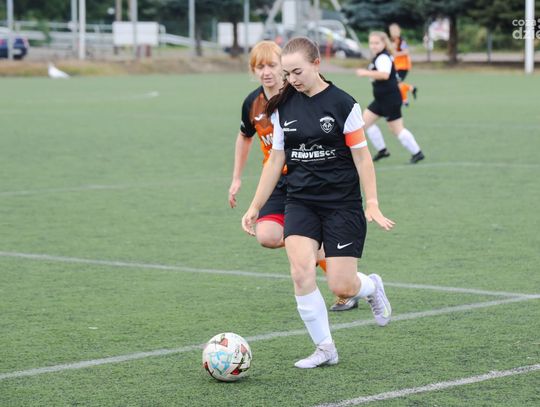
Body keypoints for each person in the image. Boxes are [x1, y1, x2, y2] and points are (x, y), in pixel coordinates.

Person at [242, 37, 394, 369]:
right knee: (300, 272)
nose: (292, 80)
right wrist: (255, 206)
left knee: (342, 285)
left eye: (297, 72)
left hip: (341, 204)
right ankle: (325, 348)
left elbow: (362, 158)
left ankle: (370, 287)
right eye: (287, 74)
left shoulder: (343, 104)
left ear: (316, 64)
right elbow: (275, 160)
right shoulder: (283, 107)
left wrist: (372, 202)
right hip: (300, 201)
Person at [229, 40, 360, 311]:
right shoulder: (253, 103)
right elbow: (245, 138)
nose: (266, 72)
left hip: (308, 178)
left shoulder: (299, 95)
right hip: (278, 180)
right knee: (267, 236)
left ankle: (341, 278)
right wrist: (237, 178)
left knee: (332, 275)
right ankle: (320, 252)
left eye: (272, 65)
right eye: (259, 67)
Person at [357, 31, 425, 164]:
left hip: (390, 99)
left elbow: (385, 74)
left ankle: (417, 153)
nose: (373, 45)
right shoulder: (379, 56)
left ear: (384, 43)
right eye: (371, 43)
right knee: (364, 123)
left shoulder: (383, 57)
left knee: (397, 129)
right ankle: (382, 150)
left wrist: (365, 73)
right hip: (381, 100)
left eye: (377, 43)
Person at [389, 23, 417, 106]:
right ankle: (410, 90)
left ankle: (405, 100)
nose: (394, 32)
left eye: (395, 30)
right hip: (396, 66)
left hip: (403, 66)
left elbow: (406, 51)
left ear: (399, 31)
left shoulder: (401, 41)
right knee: (397, 83)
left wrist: (396, 54)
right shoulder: (392, 41)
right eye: (392, 30)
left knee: (396, 83)